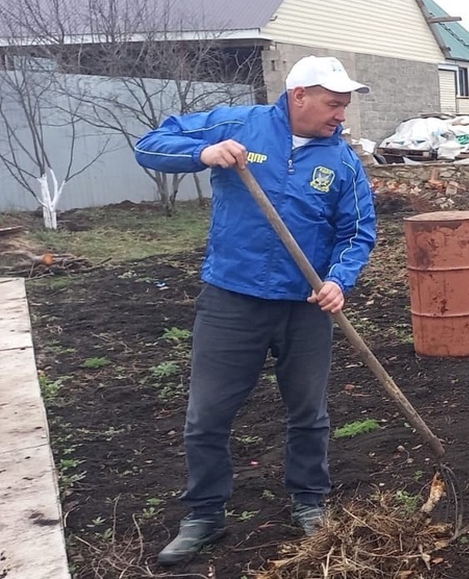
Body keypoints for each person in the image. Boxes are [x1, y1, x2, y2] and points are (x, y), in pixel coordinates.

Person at [133, 56, 378, 565]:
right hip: (232, 300)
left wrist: (338, 280)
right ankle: (204, 514)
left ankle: (309, 501)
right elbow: (149, 145)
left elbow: (357, 233)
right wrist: (204, 152)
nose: (340, 115)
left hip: (305, 307)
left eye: (344, 106)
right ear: (299, 96)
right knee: (208, 416)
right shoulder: (239, 125)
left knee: (309, 413)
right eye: (333, 104)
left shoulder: (343, 162)